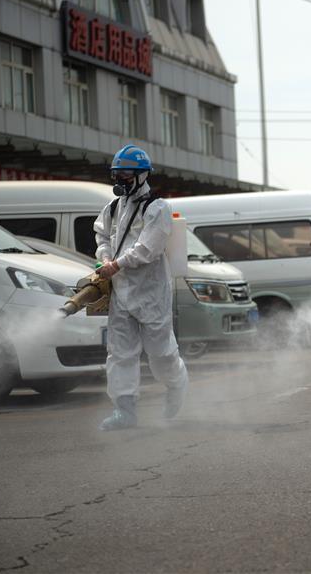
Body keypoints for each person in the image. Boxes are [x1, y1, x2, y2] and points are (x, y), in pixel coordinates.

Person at [93, 144, 188, 431]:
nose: (120, 180)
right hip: (121, 292)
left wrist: (116, 265)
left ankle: (177, 384)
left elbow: (148, 248)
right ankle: (125, 411)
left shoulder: (157, 208)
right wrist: (105, 258)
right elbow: (102, 237)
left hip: (151, 293)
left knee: (160, 353)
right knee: (120, 353)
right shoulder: (112, 208)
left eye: (125, 174)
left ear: (142, 175)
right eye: (117, 174)